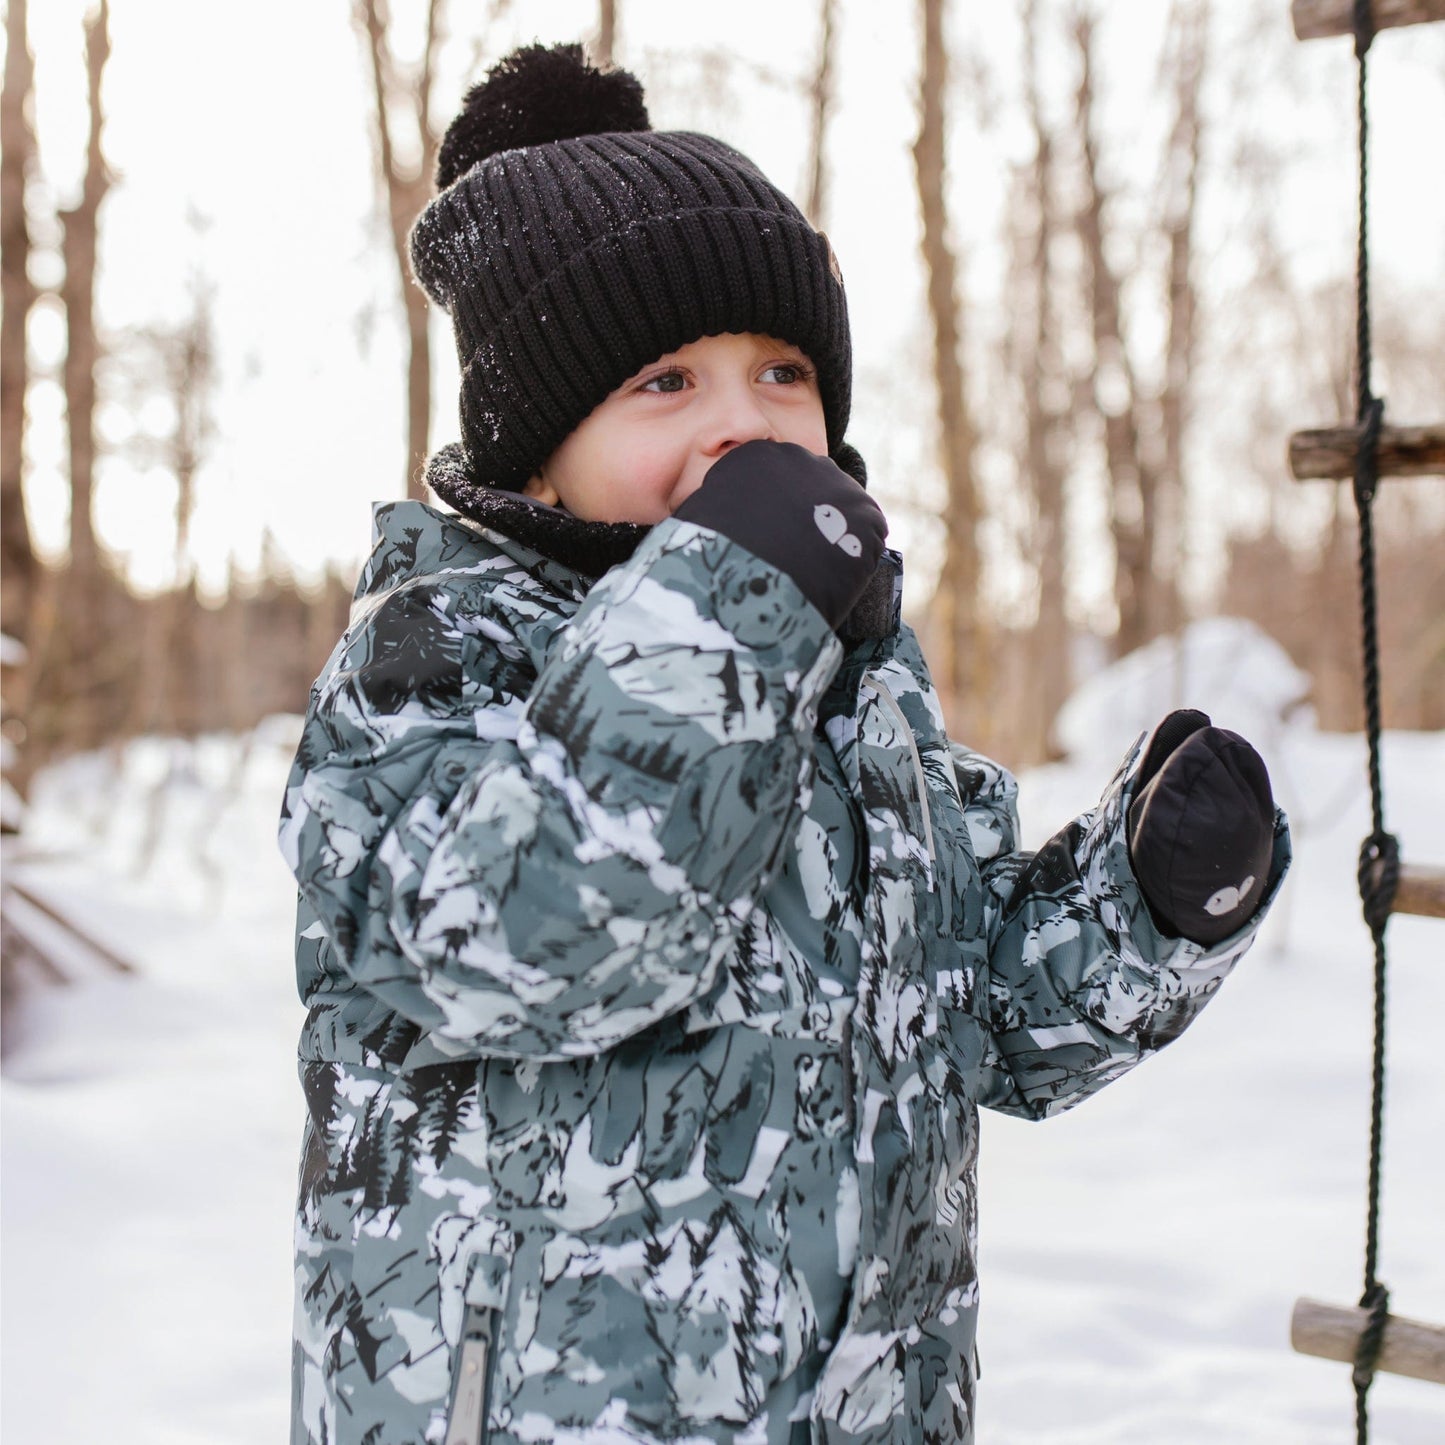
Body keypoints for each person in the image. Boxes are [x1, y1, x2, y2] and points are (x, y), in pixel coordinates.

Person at [279, 42, 1290, 1445]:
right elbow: (516, 946)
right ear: (529, 449)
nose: (742, 424)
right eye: (664, 383)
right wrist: (739, 596)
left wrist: (1144, 904)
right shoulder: (436, 662)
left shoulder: (848, 678)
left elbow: (974, 1019)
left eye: (781, 372)